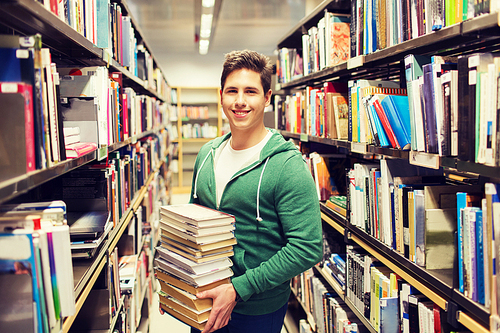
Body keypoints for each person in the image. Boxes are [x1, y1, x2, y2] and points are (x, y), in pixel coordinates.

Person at [180, 50, 322, 333]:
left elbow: (307, 247)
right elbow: (192, 223)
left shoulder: (287, 165)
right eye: (232, 91)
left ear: (267, 98)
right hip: (203, 299)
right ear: (221, 95)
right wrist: (177, 281)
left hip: (257, 307)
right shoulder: (207, 154)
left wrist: (237, 289)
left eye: (251, 91)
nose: (240, 101)